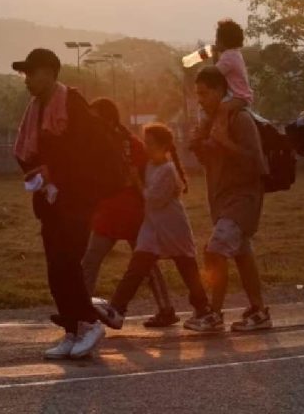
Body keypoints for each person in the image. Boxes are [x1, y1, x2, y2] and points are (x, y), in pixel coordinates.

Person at [12, 48, 107, 360]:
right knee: (56, 267)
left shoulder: (73, 103)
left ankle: (90, 323)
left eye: (31, 72)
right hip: (50, 201)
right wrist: (39, 174)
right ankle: (71, 330)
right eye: (24, 74)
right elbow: (25, 152)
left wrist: (56, 172)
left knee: (67, 262)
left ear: (50, 72)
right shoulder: (35, 109)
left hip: (77, 199)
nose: (27, 79)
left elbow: (89, 152)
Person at [95, 124, 222, 332]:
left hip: (172, 226)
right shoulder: (151, 166)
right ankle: (117, 309)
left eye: (150, 143)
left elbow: (152, 199)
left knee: (186, 267)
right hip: (153, 227)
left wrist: (136, 181)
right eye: (145, 142)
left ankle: (203, 308)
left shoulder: (168, 170)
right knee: (136, 267)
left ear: (164, 146)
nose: (146, 147)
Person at [82, 98, 178, 327]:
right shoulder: (127, 142)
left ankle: (81, 311)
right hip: (124, 210)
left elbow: (143, 178)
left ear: (106, 119)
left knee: (94, 261)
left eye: (94, 117)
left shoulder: (118, 144)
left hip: (122, 210)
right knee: (144, 263)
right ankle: (165, 309)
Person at [192, 66, 272, 331]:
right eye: (198, 94)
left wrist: (225, 142)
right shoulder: (213, 121)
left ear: (218, 90)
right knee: (241, 256)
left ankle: (213, 313)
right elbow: (212, 160)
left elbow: (257, 164)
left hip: (243, 199)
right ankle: (259, 311)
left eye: (204, 93)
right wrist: (201, 144)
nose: (200, 100)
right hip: (222, 200)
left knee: (214, 251)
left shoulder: (239, 119)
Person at [206, 19, 254, 142]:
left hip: (239, 97)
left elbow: (214, 74)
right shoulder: (234, 54)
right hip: (238, 96)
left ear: (223, 41)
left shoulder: (229, 57)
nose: (215, 42)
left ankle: (221, 133)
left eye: (217, 39)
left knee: (222, 108)